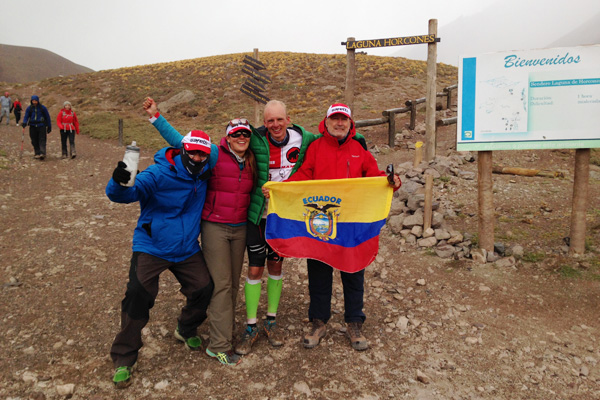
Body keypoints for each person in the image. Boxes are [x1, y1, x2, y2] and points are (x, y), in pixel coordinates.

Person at [142, 97, 256, 365]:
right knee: (222, 285)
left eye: (245, 133)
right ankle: (218, 345)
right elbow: (181, 142)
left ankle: (223, 331)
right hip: (215, 226)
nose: (240, 137)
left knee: (232, 284)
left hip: (239, 228)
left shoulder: (252, 159)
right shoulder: (214, 155)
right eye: (235, 133)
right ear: (227, 137)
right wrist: (156, 116)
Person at [285, 103, 401, 351]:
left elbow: (375, 177)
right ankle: (318, 321)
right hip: (321, 225)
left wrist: (391, 182)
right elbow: (301, 178)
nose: (339, 123)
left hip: (351, 225)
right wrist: (278, 190)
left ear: (351, 124)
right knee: (318, 273)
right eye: (335, 119)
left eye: (344, 119)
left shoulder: (359, 150)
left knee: (353, 271)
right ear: (326, 122)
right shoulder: (315, 148)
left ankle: (354, 321)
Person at [107, 130, 216, 388]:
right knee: (137, 294)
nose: (198, 158)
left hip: (186, 248)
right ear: (182, 150)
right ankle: (124, 357)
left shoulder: (205, 174)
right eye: (193, 152)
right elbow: (124, 194)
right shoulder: (158, 173)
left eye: (203, 154)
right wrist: (118, 182)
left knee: (204, 288)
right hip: (152, 245)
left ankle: (186, 329)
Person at [235, 100, 322, 355]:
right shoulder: (255, 139)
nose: (275, 125)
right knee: (254, 268)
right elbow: (230, 142)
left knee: (276, 265)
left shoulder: (303, 140)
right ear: (264, 122)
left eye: (279, 120)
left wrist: (357, 136)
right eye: (270, 120)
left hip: (283, 216)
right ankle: (251, 326)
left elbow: (331, 138)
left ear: (288, 119)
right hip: (258, 215)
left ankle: (270, 321)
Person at [21, 95, 52, 160]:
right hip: (32, 126)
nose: (34, 102)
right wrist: (24, 122)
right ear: (31, 101)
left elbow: (47, 117)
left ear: (38, 101)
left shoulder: (42, 108)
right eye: (33, 101)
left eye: (35, 101)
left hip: (41, 125)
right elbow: (26, 116)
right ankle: (37, 152)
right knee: (34, 140)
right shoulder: (29, 108)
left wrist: (49, 126)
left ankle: (42, 153)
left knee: (42, 139)